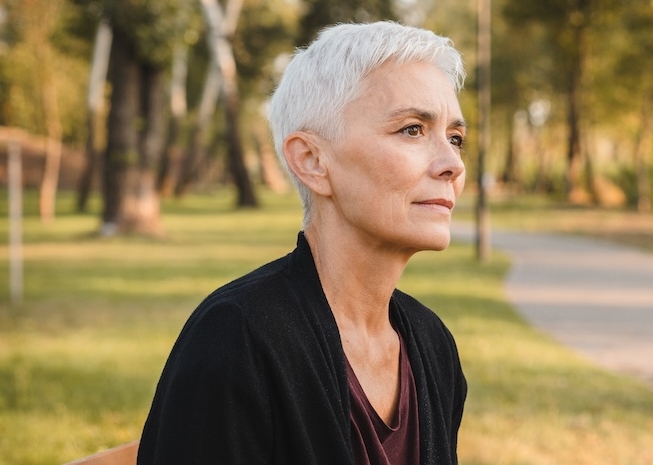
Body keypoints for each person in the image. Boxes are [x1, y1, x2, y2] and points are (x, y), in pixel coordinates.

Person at [137, 21, 468, 465]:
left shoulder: (432, 345)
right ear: (312, 160)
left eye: (455, 138)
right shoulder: (237, 339)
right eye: (412, 129)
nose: (452, 164)